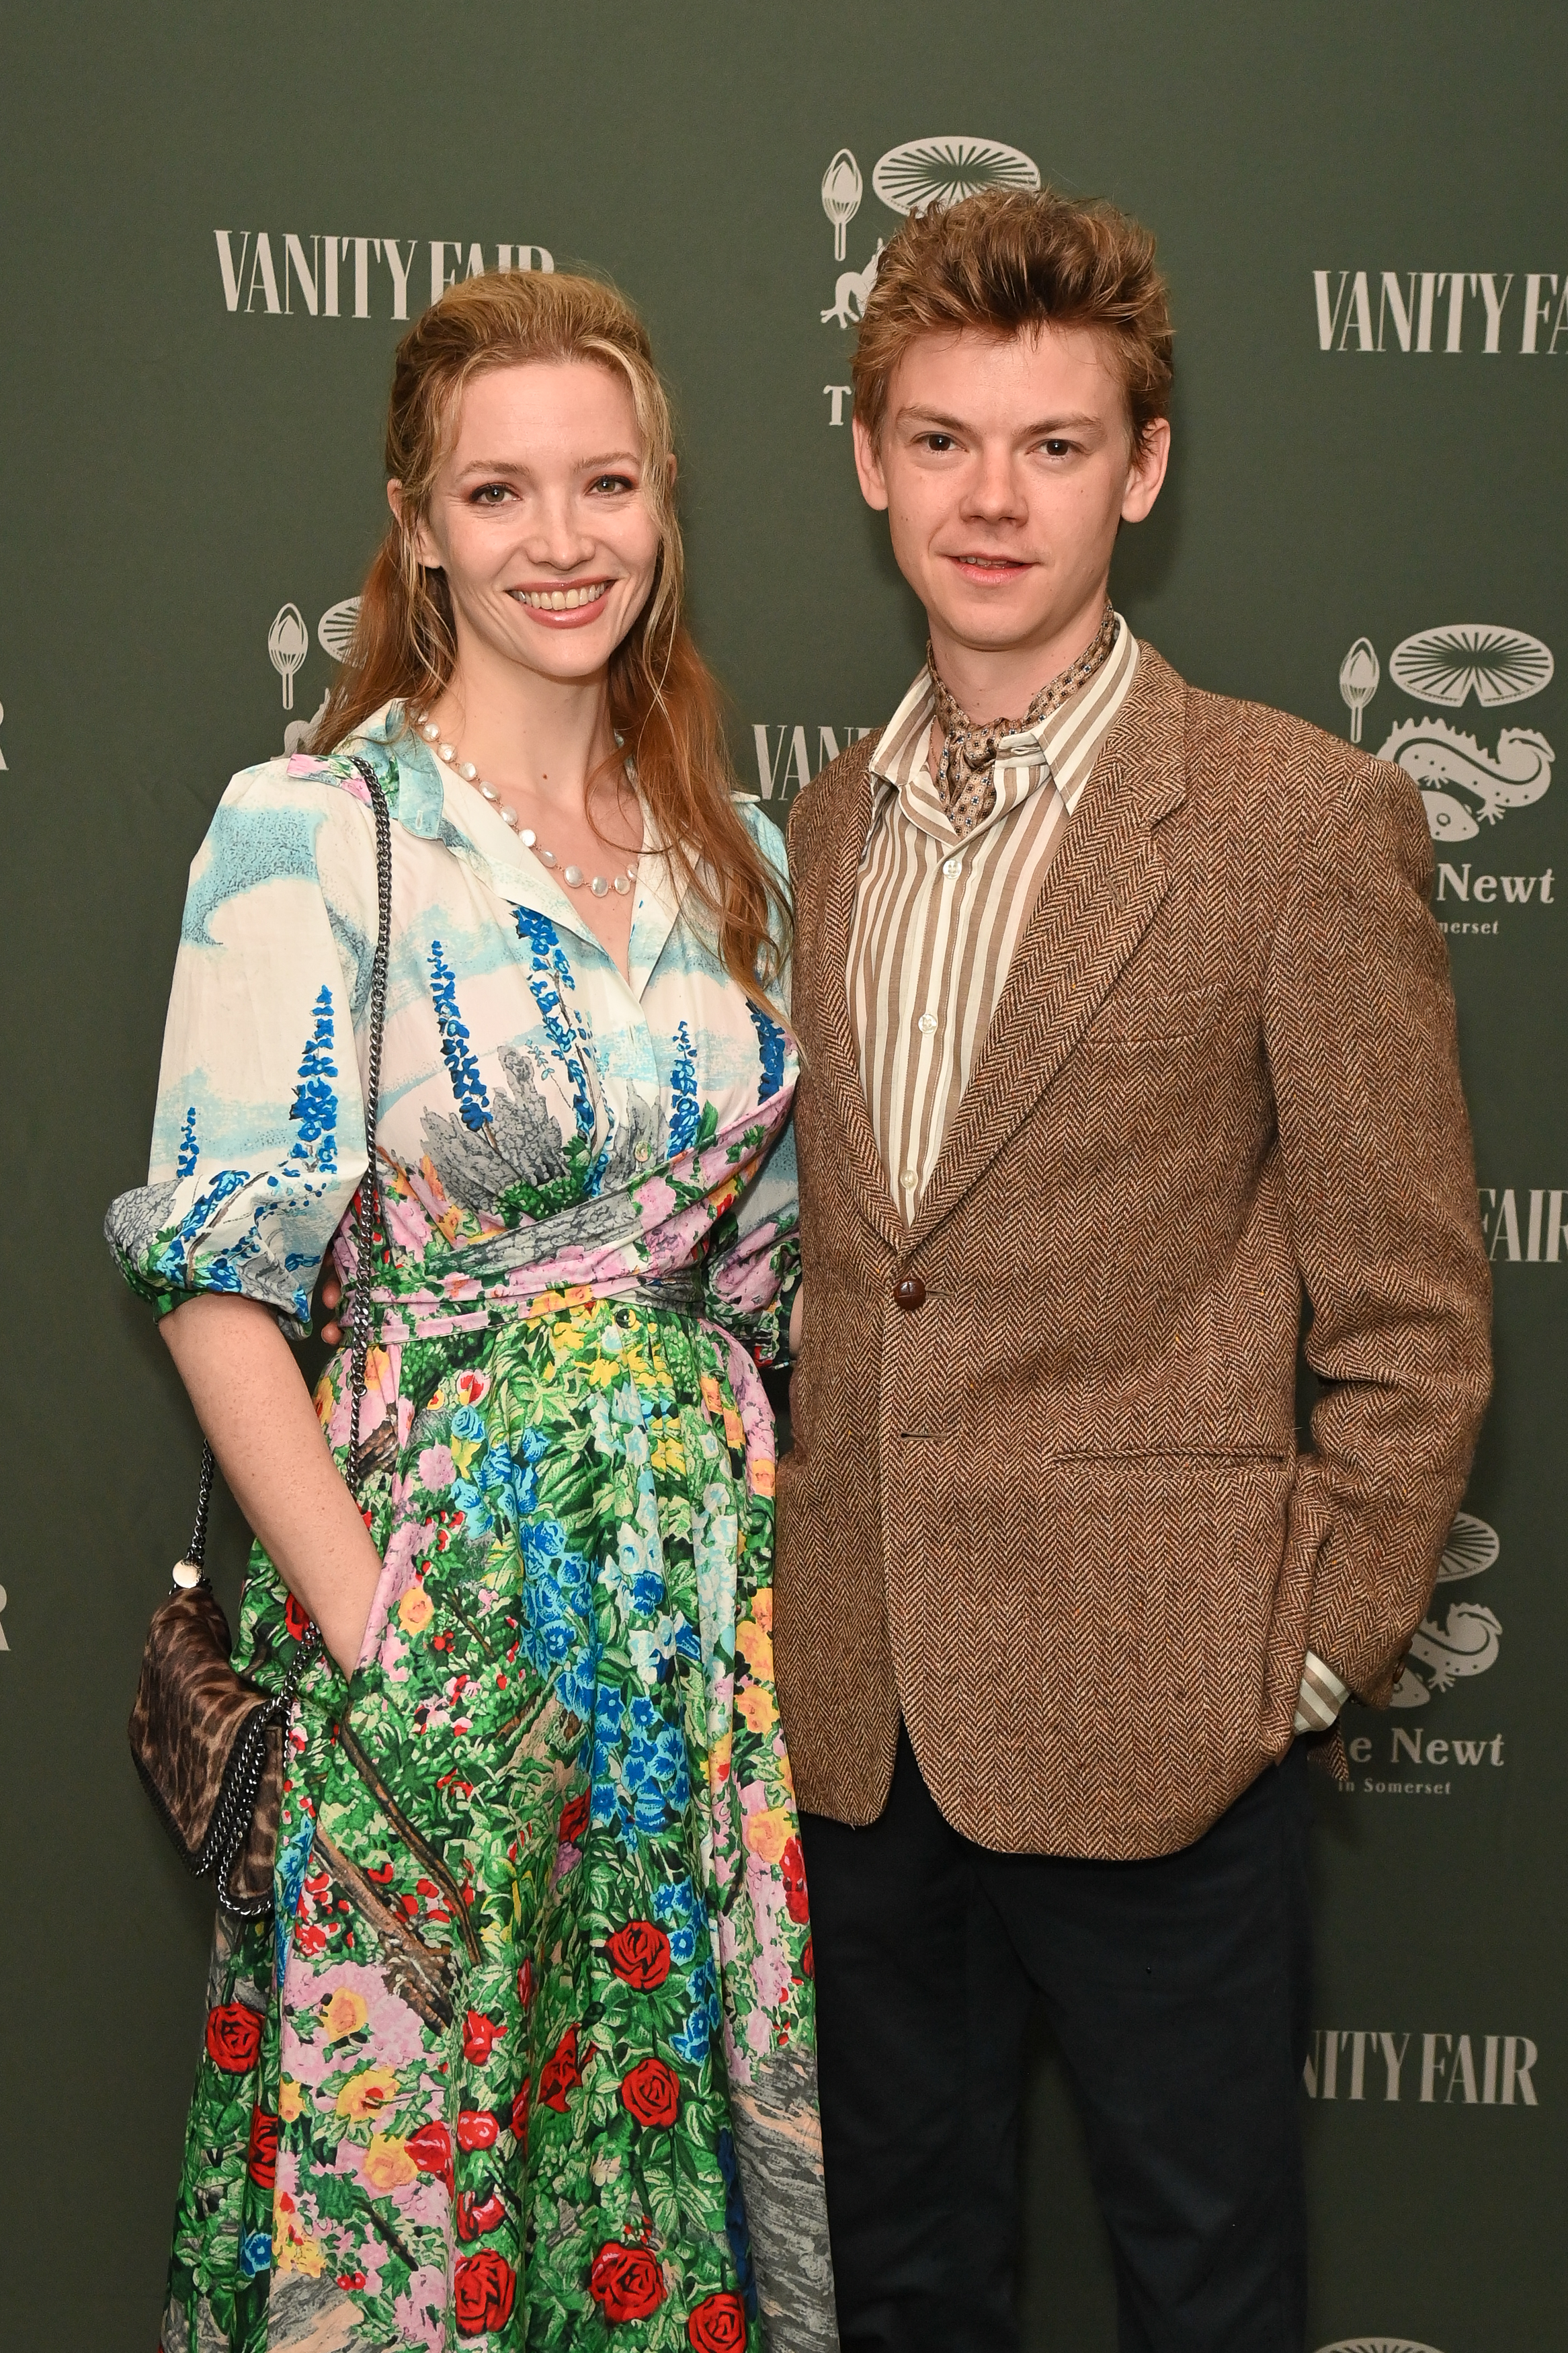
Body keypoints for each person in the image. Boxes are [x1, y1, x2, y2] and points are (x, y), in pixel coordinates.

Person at [774, 187, 1492, 2353]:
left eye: (1055, 444)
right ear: (870, 457)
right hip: (861, 1726)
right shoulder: (817, 833)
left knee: (1206, 2290)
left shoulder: (1299, 822)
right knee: (900, 2285)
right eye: (944, 437)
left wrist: (1287, 1663)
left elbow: (1416, 1316)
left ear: (1144, 468)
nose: (992, 497)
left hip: (1167, 1727)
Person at [108, 269, 835, 2353]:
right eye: (498, 491)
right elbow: (217, 1290)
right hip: (432, 1615)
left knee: (640, 2194)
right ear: (416, 523)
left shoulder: (748, 864)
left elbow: (777, 1290)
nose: (561, 538)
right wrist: (388, 1646)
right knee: (411, 2178)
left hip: (691, 1659)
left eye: (605, 483)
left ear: (665, 501)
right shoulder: (314, 830)